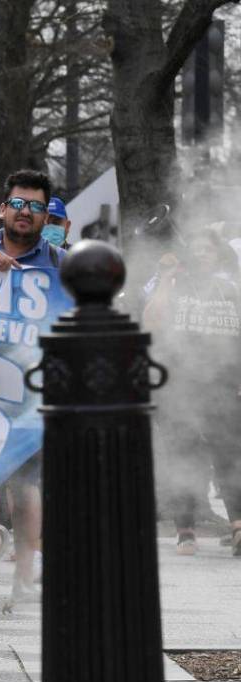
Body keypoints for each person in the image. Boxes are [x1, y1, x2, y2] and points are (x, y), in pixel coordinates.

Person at [0, 170, 64, 610]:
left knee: (26, 487)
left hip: (29, 389)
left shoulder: (61, 263)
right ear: (3, 209)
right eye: (19, 204)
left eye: (36, 207)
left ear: (46, 216)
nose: (26, 213)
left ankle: (25, 576)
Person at [143, 228, 241, 557]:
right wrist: (166, 278)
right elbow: (152, 321)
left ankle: (238, 524)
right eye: (196, 249)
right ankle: (185, 530)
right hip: (179, 386)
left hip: (224, 385)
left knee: (229, 455)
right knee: (181, 454)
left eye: (208, 249)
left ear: (219, 255)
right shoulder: (172, 285)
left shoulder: (232, 287)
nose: (201, 254)